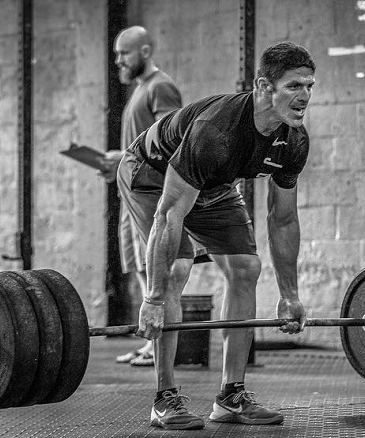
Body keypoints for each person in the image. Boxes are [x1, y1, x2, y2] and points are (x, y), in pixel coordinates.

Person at [117, 41, 315, 430]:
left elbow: (283, 219)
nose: (305, 96)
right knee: (176, 270)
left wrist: (290, 296)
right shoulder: (216, 130)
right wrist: (153, 298)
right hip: (149, 174)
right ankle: (164, 400)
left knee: (245, 268)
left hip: (212, 183)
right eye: (294, 86)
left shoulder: (293, 140)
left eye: (309, 86)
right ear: (263, 87)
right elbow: (170, 213)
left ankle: (231, 398)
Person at [99, 26, 183, 367]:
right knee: (139, 267)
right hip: (130, 194)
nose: (119, 60)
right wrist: (118, 161)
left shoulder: (161, 86)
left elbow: (169, 141)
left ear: (145, 52)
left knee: (155, 267)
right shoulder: (139, 90)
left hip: (150, 195)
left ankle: (158, 346)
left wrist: (124, 159)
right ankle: (150, 341)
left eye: (125, 53)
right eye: (117, 54)